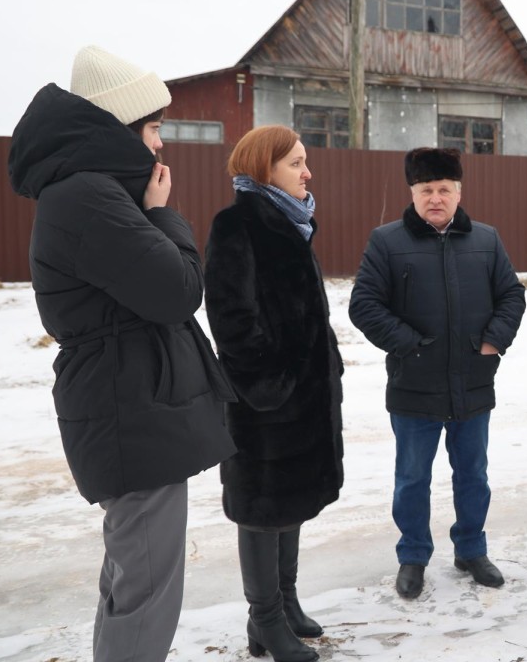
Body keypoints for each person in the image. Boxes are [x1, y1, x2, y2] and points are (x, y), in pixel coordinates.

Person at [8, 45, 237, 662]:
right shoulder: (86, 196)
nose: (161, 144)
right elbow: (179, 290)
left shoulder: (90, 191)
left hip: (129, 403)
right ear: (121, 125)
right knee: (146, 585)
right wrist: (165, 217)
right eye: (155, 127)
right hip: (128, 410)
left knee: (132, 576)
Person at [348, 147, 526, 600]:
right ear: (413, 192)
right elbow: (364, 305)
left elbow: (511, 296)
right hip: (414, 384)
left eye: (444, 189)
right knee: (412, 477)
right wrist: (408, 344)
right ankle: (413, 556)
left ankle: (471, 549)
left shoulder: (486, 240)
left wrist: (492, 343)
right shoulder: (386, 241)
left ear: (459, 192)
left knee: (473, 475)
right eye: (426, 189)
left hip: (472, 381)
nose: (435, 198)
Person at [204, 125, 344, 661]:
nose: (307, 173)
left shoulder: (291, 220)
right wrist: (270, 385)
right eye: (295, 163)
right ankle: (262, 621)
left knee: (292, 504)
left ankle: (284, 604)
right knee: (263, 510)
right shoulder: (237, 224)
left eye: (305, 162)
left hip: (302, 399)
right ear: (264, 169)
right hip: (264, 405)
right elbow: (231, 319)